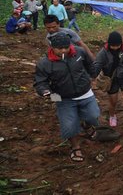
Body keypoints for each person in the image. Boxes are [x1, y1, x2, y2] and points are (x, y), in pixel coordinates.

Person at [34, 32, 100, 162]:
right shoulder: (44, 63)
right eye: (60, 48)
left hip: (85, 92)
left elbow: (90, 65)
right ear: (52, 47)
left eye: (66, 47)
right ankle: (75, 147)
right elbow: (40, 82)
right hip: (62, 97)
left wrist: (93, 76)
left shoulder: (79, 52)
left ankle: (87, 125)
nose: (64, 50)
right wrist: (45, 91)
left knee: (94, 116)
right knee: (69, 126)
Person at [93, 31, 123, 133]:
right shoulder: (103, 53)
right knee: (113, 102)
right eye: (113, 46)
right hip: (112, 80)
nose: (115, 47)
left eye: (117, 45)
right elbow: (97, 66)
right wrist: (92, 75)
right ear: (109, 44)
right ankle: (112, 116)